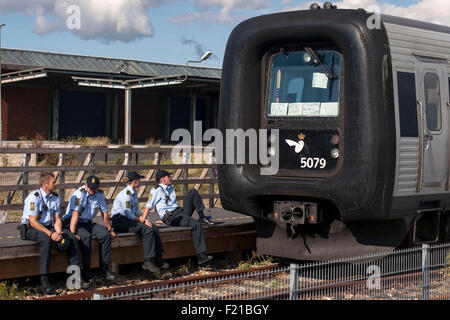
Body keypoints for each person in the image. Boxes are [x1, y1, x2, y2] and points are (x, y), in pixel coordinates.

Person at [19, 172, 82, 294]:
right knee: (46, 240)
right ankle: (45, 280)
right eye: (53, 182)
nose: (56, 184)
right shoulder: (34, 197)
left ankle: (74, 279)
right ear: (45, 184)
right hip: (30, 228)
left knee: (71, 238)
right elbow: (33, 222)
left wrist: (59, 233)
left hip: (47, 226)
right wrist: (50, 234)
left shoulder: (55, 197)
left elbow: (57, 218)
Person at [143, 170, 215, 266]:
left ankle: (202, 217)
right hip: (172, 217)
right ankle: (201, 256)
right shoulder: (156, 190)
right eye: (168, 176)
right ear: (162, 179)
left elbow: (171, 204)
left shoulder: (170, 188)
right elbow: (149, 206)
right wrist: (143, 219)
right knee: (196, 225)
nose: (170, 178)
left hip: (179, 212)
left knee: (193, 192)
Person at [111, 171, 168, 272]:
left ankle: (158, 258)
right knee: (147, 230)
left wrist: (145, 219)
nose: (140, 181)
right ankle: (148, 261)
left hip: (129, 220)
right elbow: (128, 213)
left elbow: (136, 211)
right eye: (139, 179)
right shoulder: (126, 194)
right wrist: (142, 220)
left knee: (153, 227)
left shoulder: (133, 193)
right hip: (120, 221)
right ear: (135, 181)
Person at [62, 175, 115, 283]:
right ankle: (86, 271)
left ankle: (104, 269)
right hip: (74, 222)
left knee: (105, 234)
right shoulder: (79, 194)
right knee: (85, 237)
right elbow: (75, 214)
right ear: (86, 185)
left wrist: (110, 229)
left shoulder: (100, 194)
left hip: (87, 222)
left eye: (95, 188)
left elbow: (105, 213)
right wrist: (72, 234)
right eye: (90, 188)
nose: (93, 190)